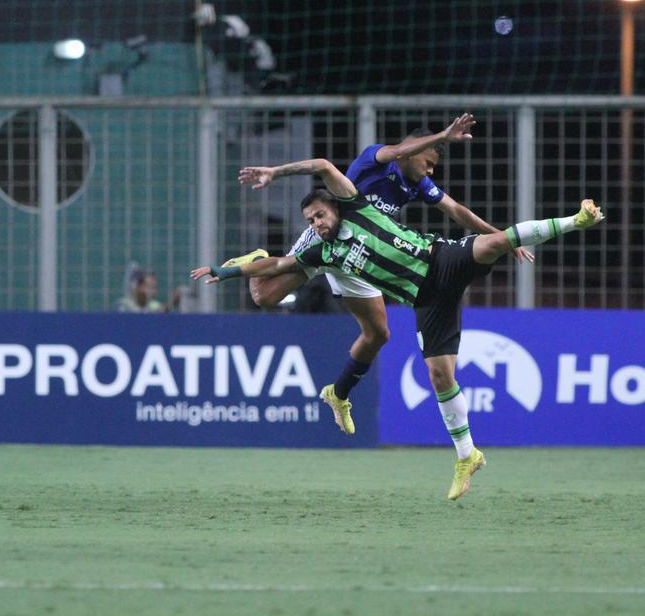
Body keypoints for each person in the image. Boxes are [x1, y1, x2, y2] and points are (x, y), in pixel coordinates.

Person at [192, 158, 604, 500]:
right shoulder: (323, 252)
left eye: (320, 214)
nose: (316, 222)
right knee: (440, 375)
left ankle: (576, 220)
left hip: (441, 260)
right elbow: (279, 265)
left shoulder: (355, 206)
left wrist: (276, 173)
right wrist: (224, 272)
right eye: (310, 219)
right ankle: (468, 455)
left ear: (336, 207)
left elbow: (321, 165)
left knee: (495, 241)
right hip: (426, 302)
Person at [220, 113, 533, 399]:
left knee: (378, 334)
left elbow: (456, 211)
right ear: (413, 148)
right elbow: (394, 152)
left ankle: (338, 394)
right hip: (330, 244)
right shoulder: (379, 158)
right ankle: (255, 259)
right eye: (429, 160)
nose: (431, 169)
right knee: (264, 297)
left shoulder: (419, 184)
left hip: (358, 259)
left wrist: (500, 237)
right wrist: (443, 135)